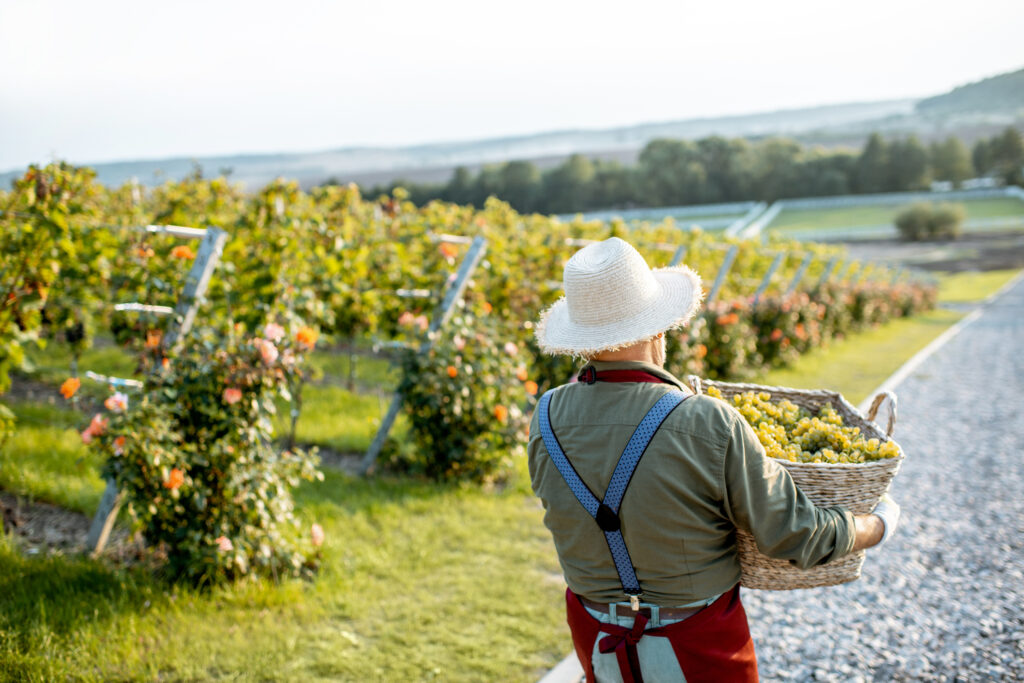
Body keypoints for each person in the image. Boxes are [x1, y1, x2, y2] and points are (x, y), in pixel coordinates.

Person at [527, 237, 900, 682]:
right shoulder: (705, 420)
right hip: (699, 646)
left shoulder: (546, 415)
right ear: (658, 328)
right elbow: (793, 534)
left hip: (597, 641)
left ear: (583, 339)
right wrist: (877, 524)